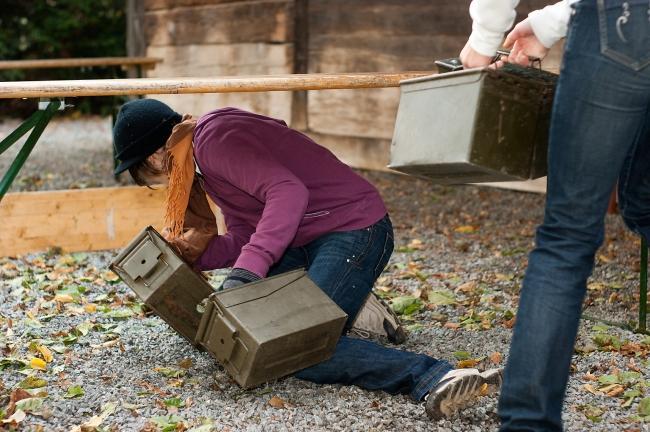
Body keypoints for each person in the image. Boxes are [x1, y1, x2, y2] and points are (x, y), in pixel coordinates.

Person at [112, 99, 502, 420]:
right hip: (302, 243)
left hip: (353, 229)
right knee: (253, 331)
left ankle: (434, 376)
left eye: (148, 173)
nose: (159, 181)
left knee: (294, 349)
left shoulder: (214, 142)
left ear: (157, 156)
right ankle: (352, 301)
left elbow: (288, 193)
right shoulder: (204, 160)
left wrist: (246, 273)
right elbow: (249, 235)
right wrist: (188, 255)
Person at [461, 0, 650, 430]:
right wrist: (547, 25)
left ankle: (528, 424)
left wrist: (484, 41)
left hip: (621, 25)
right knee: (644, 204)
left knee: (568, 237)